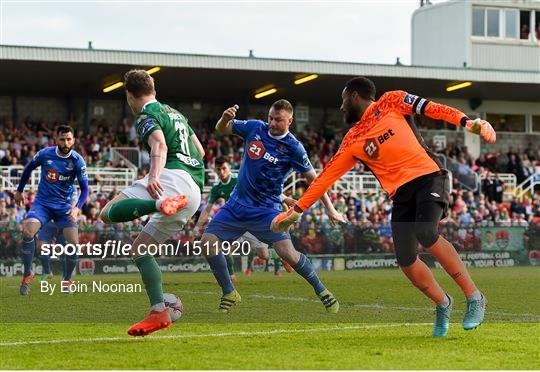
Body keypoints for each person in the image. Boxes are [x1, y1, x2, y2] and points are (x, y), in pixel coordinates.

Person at [272, 77, 496, 337]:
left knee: (426, 231)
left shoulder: (392, 100)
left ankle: (474, 296)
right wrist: (297, 210)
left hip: (429, 177)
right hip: (400, 195)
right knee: (406, 260)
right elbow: (325, 178)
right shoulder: (353, 138)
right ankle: (443, 303)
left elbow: (433, 108)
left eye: (343, 100)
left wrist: (468, 122)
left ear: (354, 96)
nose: (341, 107)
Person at [201, 100, 346, 313]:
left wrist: (331, 209)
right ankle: (229, 292)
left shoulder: (294, 147)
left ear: (290, 120)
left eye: (278, 120)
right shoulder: (255, 128)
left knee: (288, 254)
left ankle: (321, 290)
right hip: (236, 205)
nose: (272, 123)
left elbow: (314, 180)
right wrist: (224, 117)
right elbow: (222, 130)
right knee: (207, 243)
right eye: (270, 117)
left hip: (266, 210)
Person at [99, 69, 205, 337]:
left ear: (129, 95)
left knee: (107, 211)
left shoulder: (147, 114)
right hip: (193, 190)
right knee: (140, 250)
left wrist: (154, 178)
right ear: (154, 90)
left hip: (170, 181)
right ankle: (159, 312)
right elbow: (201, 152)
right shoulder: (177, 114)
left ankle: (158, 205)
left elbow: (158, 143)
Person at [15, 125, 89, 295]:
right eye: (62, 139)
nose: (65, 142)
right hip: (43, 204)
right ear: (56, 139)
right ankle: (27, 274)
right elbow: (27, 170)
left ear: (74, 140)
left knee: (74, 245)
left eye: (69, 139)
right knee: (28, 232)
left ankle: (67, 280)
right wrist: (19, 191)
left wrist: (77, 208)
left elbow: (85, 190)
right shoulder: (44, 154)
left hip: (64, 207)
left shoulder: (78, 161)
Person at [194, 156, 289, 280]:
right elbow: (207, 209)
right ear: (214, 170)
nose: (221, 172)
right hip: (235, 221)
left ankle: (280, 257)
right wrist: (197, 226)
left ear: (229, 167)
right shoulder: (216, 188)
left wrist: (284, 199)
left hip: (252, 219)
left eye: (224, 168)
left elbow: (261, 188)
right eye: (218, 170)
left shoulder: (239, 178)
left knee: (264, 255)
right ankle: (231, 276)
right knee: (224, 248)